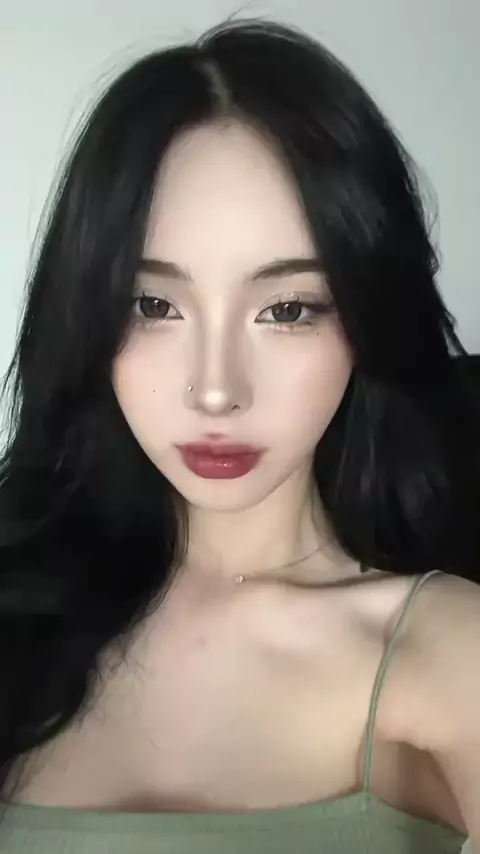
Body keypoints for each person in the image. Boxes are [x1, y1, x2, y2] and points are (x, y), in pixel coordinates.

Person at [0, 16, 479, 854]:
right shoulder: (20, 609)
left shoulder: (448, 651)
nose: (216, 389)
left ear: (365, 316)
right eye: (154, 305)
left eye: (287, 310)